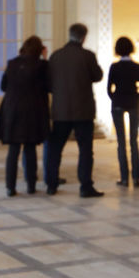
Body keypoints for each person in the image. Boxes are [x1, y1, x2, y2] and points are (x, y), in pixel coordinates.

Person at [45, 22, 104, 197]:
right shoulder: (87, 56)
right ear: (84, 37)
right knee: (85, 150)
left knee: (55, 149)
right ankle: (85, 186)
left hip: (61, 110)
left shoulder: (56, 56)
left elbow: (49, 83)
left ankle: (51, 184)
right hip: (83, 110)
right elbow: (98, 76)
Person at [0, 36, 50, 196]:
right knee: (30, 148)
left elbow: (3, 86)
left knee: (13, 150)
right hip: (32, 111)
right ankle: (31, 185)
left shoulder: (12, 63)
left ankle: (10, 187)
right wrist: (46, 59)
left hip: (12, 110)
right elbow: (49, 86)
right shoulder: (41, 65)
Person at [108, 36, 139, 187]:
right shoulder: (137, 67)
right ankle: (136, 178)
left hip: (118, 103)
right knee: (134, 141)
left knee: (121, 142)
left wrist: (115, 98)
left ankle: (124, 178)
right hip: (133, 103)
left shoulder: (114, 67)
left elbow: (109, 88)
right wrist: (136, 98)